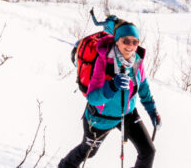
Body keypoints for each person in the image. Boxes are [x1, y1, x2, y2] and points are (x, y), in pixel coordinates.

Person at [59, 22, 160, 168]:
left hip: (127, 114)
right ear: (117, 41)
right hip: (101, 118)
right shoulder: (103, 60)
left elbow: (143, 86)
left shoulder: (137, 60)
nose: (130, 45)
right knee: (88, 152)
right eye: (126, 40)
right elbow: (93, 98)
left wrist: (153, 111)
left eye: (135, 41)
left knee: (148, 151)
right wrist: (112, 86)